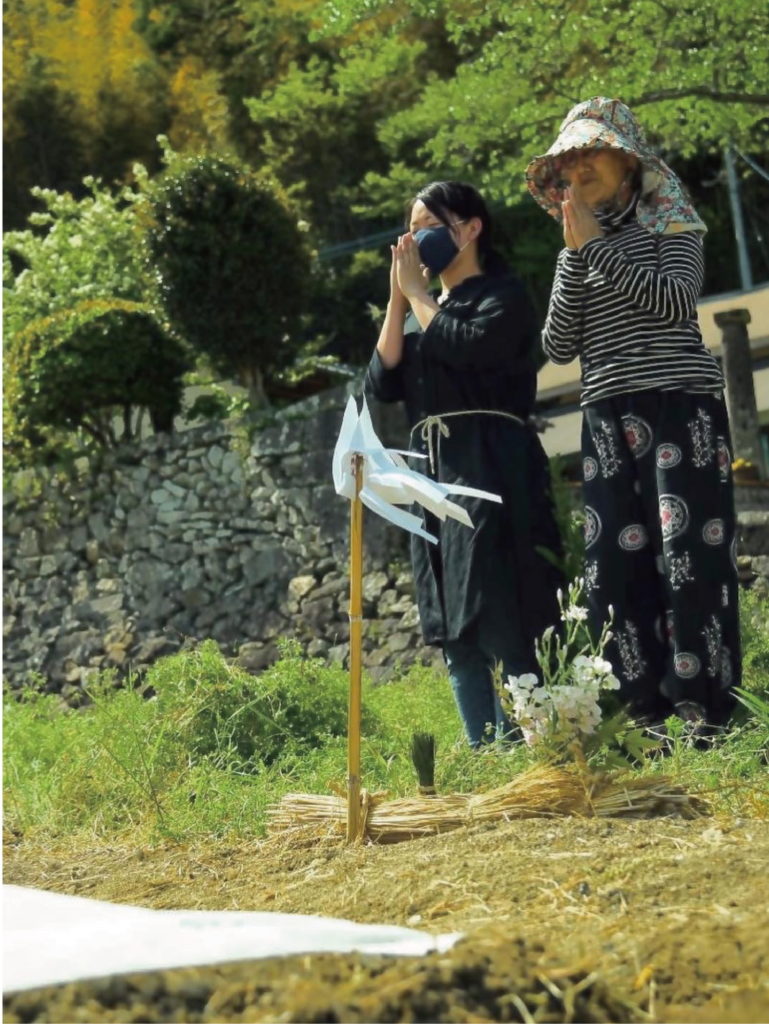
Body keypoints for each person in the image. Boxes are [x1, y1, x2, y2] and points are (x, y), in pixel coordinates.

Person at [526, 97, 740, 732]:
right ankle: (645, 717)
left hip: (681, 411)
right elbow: (558, 346)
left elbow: (676, 302)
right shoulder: (576, 244)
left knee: (689, 563)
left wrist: (595, 251)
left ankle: (710, 717)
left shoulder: (673, 221)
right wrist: (575, 255)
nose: (578, 165)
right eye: (568, 158)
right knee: (613, 573)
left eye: (592, 150)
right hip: (606, 419)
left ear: (627, 160)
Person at [364, 180, 564, 747]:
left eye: (429, 224)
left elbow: (470, 347)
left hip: (490, 465)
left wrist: (420, 298)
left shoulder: (501, 294)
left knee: (499, 606)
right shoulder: (425, 307)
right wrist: (399, 297)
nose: (416, 237)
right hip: (433, 474)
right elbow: (381, 381)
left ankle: (539, 746)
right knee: (451, 621)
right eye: (412, 226)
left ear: (470, 228)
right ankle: (487, 752)